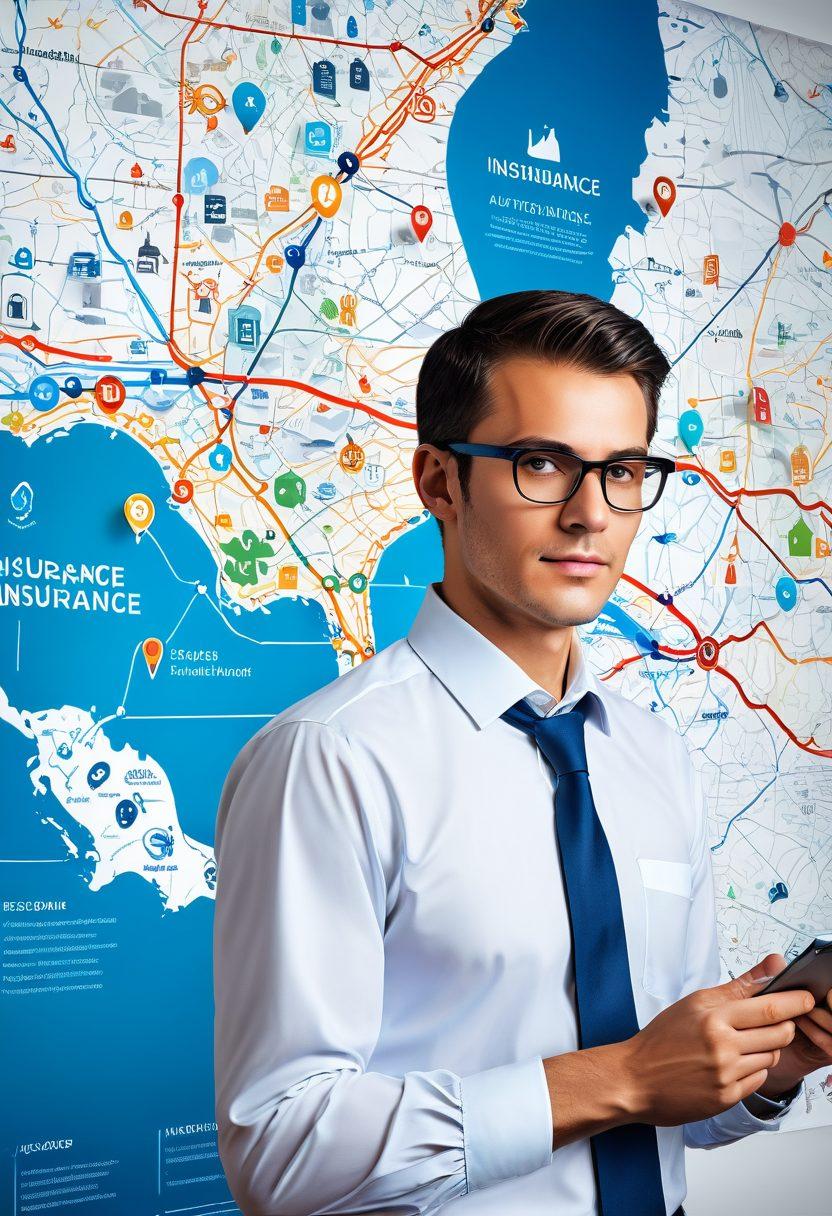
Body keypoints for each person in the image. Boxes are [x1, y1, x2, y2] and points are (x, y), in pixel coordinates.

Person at [213, 290, 831, 1216]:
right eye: (542, 463)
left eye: (622, 470)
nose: (591, 515)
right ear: (438, 482)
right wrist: (617, 1076)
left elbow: (677, 1114)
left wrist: (764, 1066)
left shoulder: (653, 756)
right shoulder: (329, 760)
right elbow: (280, 1152)